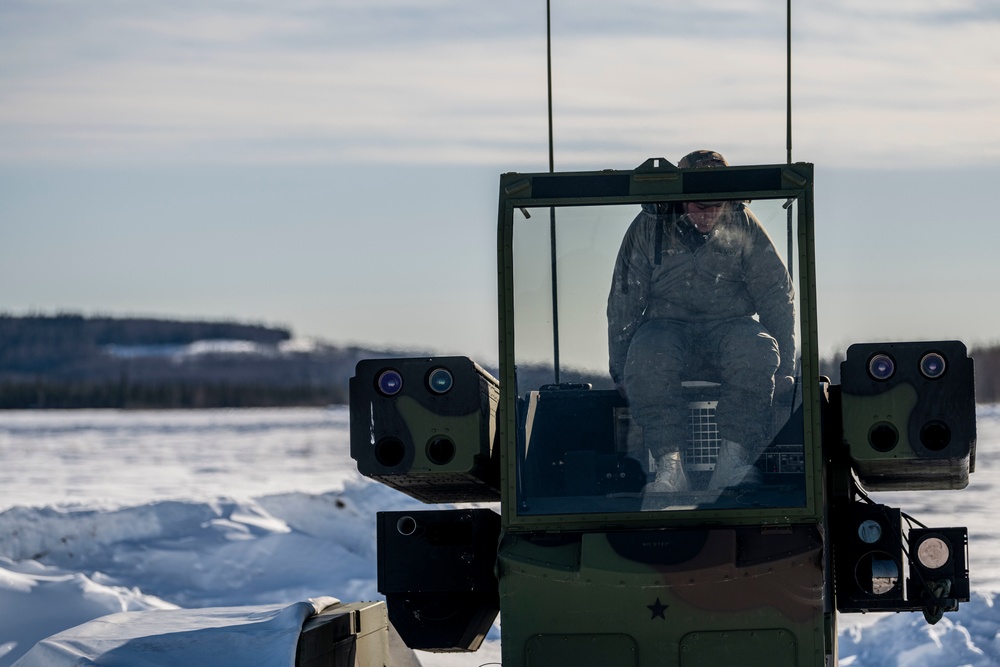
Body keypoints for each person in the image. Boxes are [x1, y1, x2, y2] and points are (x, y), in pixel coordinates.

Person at [607, 150, 795, 493]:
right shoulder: (648, 229)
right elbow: (625, 300)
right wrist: (621, 367)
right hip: (667, 326)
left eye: (716, 205)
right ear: (681, 200)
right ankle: (669, 464)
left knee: (757, 350)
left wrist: (787, 363)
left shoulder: (745, 225)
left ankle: (734, 459)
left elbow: (775, 294)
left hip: (730, 323)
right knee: (647, 354)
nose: (708, 214)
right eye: (699, 205)